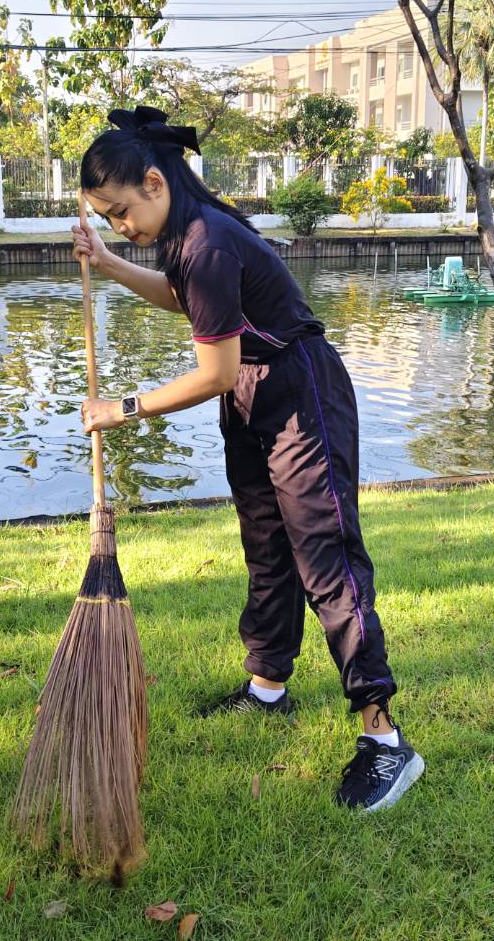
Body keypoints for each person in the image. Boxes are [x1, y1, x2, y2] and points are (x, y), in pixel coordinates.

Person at [71, 106, 424, 812]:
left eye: (120, 213)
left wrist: (124, 408)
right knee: (266, 548)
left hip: (299, 392)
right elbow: (188, 301)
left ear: (154, 182)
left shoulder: (206, 240)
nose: (121, 225)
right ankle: (268, 687)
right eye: (107, 219)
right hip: (254, 395)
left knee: (324, 559)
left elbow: (215, 372)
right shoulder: (183, 237)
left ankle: (385, 739)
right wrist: (109, 264)